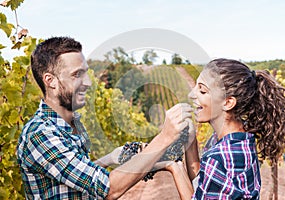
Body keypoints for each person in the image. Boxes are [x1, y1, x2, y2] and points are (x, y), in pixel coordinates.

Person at [16, 36, 193, 199]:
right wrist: (165, 137)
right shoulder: (40, 134)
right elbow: (107, 189)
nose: (88, 82)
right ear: (50, 80)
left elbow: (76, 180)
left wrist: (109, 158)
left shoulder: (72, 123)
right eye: (77, 74)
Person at [165, 58, 285, 199]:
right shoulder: (240, 139)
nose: (191, 95)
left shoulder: (220, 157)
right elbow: (204, 185)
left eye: (202, 91)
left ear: (228, 102)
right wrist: (190, 140)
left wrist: (175, 167)